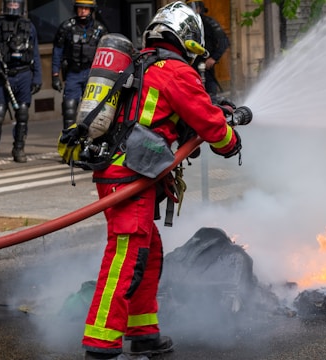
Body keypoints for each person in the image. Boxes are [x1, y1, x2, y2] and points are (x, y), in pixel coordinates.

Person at [72, 2, 242, 359]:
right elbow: (209, 123)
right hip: (129, 175)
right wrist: (231, 141)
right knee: (126, 255)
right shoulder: (175, 70)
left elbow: (178, 113)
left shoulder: (144, 63)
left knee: (148, 254)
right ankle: (101, 344)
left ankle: (144, 332)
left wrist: (213, 111)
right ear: (186, 39)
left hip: (125, 171)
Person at [0, 0, 42, 165]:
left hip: (23, 75)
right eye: (11, 2)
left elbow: (35, 53)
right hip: (2, 75)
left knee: (22, 114)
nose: (13, 5)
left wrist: (37, 78)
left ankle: (19, 149)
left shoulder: (29, 26)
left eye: (16, 3)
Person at [52, 0, 108, 129]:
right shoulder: (67, 27)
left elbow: (106, 52)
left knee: (94, 109)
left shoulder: (100, 30)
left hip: (92, 74)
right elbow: (58, 50)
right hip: (73, 73)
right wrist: (55, 74)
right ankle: (68, 140)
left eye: (86, 8)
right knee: (69, 108)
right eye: (80, 8)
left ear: (91, 10)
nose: (83, 11)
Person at [186, 0, 230, 96]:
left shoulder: (209, 23)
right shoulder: (185, 25)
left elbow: (224, 42)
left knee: (210, 93)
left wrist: (213, 58)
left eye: (193, 7)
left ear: (199, 8)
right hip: (189, 65)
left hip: (205, 65)